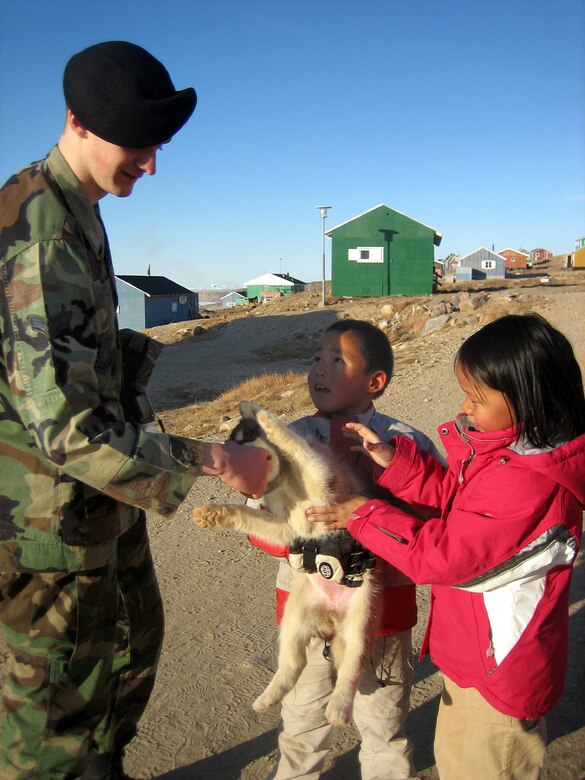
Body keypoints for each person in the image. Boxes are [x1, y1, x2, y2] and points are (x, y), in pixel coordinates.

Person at [0, 41, 268, 780]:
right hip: (46, 521)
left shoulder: (78, 207)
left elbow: (83, 359)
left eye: (157, 145)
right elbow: (64, 430)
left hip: (99, 502)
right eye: (137, 143)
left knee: (126, 649)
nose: (151, 164)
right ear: (77, 122)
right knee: (52, 717)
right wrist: (216, 460)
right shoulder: (40, 233)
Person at [307, 313, 585, 780]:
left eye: (477, 397)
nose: (466, 406)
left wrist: (364, 512)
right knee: (458, 761)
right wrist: (397, 463)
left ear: (529, 400)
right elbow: (459, 507)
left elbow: (446, 556)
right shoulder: (505, 454)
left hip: (500, 670)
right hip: (473, 654)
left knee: (486, 765)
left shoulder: (528, 482)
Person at [250, 319, 444, 780]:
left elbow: (430, 523)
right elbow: (261, 524)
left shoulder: (406, 443)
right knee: (301, 726)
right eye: (317, 358)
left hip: (380, 617)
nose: (320, 368)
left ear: (375, 381)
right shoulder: (286, 439)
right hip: (309, 612)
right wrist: (292, 533)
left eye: (338, 360)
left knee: (383, 727)